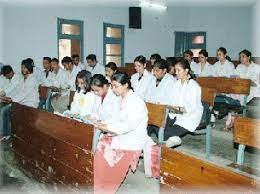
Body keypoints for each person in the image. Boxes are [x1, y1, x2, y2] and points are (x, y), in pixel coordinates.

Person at [93, 72, 148, 194]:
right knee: (100, 147)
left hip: (131, 138)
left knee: (115, 164)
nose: (113, 89)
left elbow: (129, 125)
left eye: (116, 86)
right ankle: (100, 184)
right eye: (112, 86)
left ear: (126, 85)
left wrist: (108, 127)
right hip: (119, 135)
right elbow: (114, 118)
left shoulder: (136, 102)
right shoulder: (119, 99)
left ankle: (108, 188)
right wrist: (104, 124)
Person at [161, 59, 203, 147]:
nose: (176, 72)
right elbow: (171, 100)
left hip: (190, 115)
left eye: (179, 70)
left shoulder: (193, 86)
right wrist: (169, 111)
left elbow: (190, 108)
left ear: (186, 70)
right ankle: (173, 139)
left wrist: (175, 109)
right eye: (175, 70)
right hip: (176, 112)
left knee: (167, 133)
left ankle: (172, 141)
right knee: (161, 130)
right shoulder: (176, 84)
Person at [0, 59, 39, 139]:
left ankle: (15, 136)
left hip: (30, 104)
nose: (22, 69)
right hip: (21, 103)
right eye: (22, 68)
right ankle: (7, 134)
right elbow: (19, 92)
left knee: (7, 110)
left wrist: (11, 100)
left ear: (29, 68)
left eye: (24, 68)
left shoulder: (32, 79)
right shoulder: (24, 78)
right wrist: (9, 99)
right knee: (5, 110)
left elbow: (24, 94)